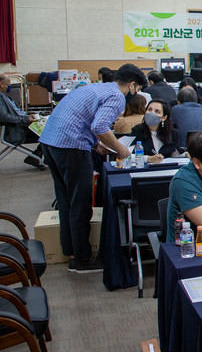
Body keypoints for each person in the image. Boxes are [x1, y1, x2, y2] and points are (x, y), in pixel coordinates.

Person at [40, 63, 147, 271]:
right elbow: (99, 126)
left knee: (65, 201)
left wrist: (97, 145)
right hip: (71, 146)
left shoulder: (98, 88)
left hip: (50, 142)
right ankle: (83, 259)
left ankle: (71, 251)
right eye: (138, 89)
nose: (136, 93)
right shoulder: (117, 96)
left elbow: (83, 119)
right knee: (80, 203)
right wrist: (121, 150)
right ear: (132, 85)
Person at [0, 72, 43, 168]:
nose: (10, 86)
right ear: (2, 84)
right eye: (8, 84)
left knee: (46, 130)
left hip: (20, 127)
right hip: (14, 132)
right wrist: (26, 119)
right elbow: (4, 117)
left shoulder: (4, 96)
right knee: (47, 134)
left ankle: (36, 156)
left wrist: (28, 116)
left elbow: (16, 112)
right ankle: (37, 156)